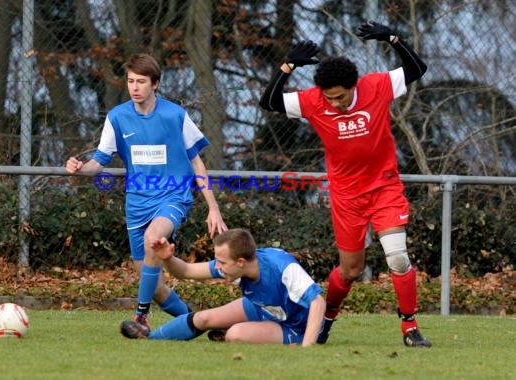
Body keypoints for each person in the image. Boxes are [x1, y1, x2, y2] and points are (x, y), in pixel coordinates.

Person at [258, 21, 431, 347]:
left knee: (397, 257)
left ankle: (409, 327)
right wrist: (288, 65)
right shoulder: (313, 101)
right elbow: (269, 102)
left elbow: (417, 68)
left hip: (384, 188)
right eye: (329, 98)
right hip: (346, 196)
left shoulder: (377, 87)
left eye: (340, 97)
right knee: (350, 270)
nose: (334, 104)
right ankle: (326, 319)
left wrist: (393, 39)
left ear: (354, 86)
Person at [66, 53, 227, 333]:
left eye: (141, 81)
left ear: (155, 84)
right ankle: (197, 322)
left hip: (173, 197)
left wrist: (213, 207)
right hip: (137, 203)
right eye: (130, 81)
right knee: (153, 285)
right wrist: (80, 168)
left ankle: (140, 318)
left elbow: (196, 161)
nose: (135, 87)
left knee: (155, 239)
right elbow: (98, 163)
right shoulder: (117, 117)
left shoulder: (175, 115)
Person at [120, 228, 326, 347]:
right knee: (202, 318)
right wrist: (168, 258)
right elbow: (186, 272)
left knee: (236, 335)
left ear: (241, 262)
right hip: (262, 307)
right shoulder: (236, 266)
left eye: (221, 262)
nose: (217, 266)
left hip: (295, 326)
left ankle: (229, 333)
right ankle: (150, 338)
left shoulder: (282, 267)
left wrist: (306, 348)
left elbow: (318, 302)